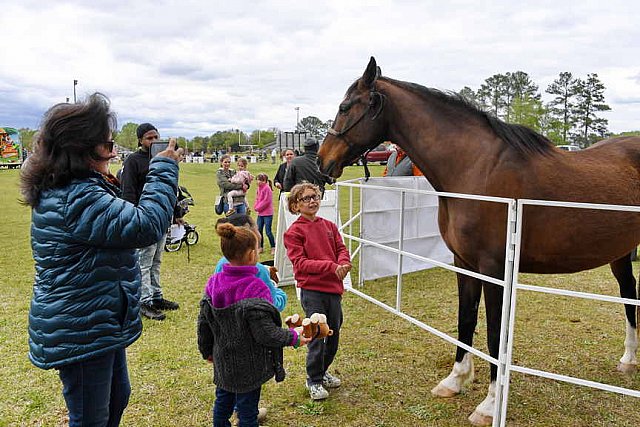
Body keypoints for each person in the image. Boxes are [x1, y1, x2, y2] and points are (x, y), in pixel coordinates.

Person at [21, 93, 182, 426]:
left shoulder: (75, 188)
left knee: (115, 399)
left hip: (95, 319)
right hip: (81, 326)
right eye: (108, 145)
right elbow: (146, 225)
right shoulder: (77, 196)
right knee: (91, 418)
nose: (113, 152)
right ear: (83, 148)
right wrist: (164, 167)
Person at [198, 222, 310, 427]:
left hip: (223, 359)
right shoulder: (256, 287)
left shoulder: (213, 282)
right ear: (251, 255)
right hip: (249, 364)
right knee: (248, 412)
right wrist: (293, 337)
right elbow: (265, 332)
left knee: (222, 403)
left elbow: (204, 322)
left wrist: (206, 351)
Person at [283, 183, 351, 400]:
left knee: (333, 332)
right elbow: (300, 264)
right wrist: (330, 267)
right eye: (306, 198)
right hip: (312, 291)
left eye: (315, 196)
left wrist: (343, 263)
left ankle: (323, 371)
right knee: (317, 333)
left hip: (333, 289)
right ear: (295, 205)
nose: (312, 201)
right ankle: (313, 379)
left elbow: (341, 249)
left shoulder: (330, 226)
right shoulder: (293, 232)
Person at [120, 122, 181, 320]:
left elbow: (171, 189)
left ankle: (156, 295)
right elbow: (127, 191)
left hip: (161, 218)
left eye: (156, 137)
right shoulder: (133, 161)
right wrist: (133, 217)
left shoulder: (165, 158)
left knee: (156, 260)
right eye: (149, 138)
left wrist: (176, 212)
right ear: (140, 140)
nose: (153, 141)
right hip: (143, 219)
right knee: (143, 262)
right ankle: (143, 301)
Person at [214, 214, 287, 312]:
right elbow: (273, 305)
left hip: (227, 323)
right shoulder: (259, 270)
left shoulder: (221, 264)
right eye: (256, 228)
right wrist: (279, 292)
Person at [253, 173, 276, 255]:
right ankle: (260, 247)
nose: (259, 182)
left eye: (262, 180)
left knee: (268, 231)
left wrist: (258, 207)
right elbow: (257, 199)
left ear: (266, 181)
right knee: (259, 230)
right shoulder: (258, 188)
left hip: (268, 214)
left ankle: (273, 247)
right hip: (260, 214)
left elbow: (266, 201)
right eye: (258, 180)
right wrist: (256, 206)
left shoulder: (267, 189)